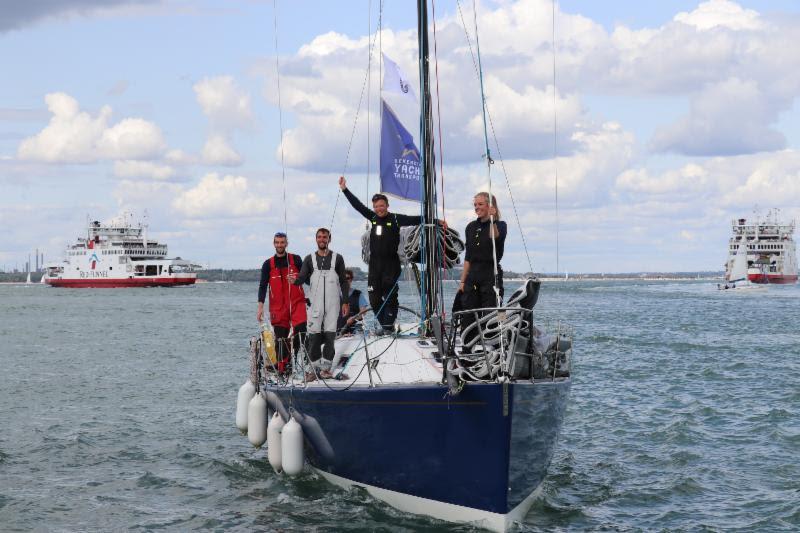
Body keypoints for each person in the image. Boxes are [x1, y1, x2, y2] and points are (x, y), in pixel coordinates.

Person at [339, 176, 424, 333]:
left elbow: (415, 219)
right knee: (375, 300)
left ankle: (387, 328)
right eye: (376, 206)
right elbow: (357, 206)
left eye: (382, 206)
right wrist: (345, 189)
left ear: (387, 205)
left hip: (391, 267)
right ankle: (387, 326)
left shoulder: (396, 219)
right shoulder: (373, 218)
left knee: (390, 298)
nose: (379, 209)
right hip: (374, 268)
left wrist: (436, 220)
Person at [288, 228, 349, 379]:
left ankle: (326, 369)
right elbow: (302, 278)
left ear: (329, 239)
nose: (322, 239)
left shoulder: (338, 258)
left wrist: (345, 301)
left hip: (333, 304)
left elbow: (343, 281)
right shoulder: (309, 259)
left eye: (325, 237)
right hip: (315, 306)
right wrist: (294, 281)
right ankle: (312, 370)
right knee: (314, 338)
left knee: (330, 337)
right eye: (319, 237)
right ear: (316, 239)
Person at [458, 192, 507, 351]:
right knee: (469, 313)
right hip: (473, 275)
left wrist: (493, 219)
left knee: (492, 312)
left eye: (480, 204)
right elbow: (468, 257)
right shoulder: (471, 227)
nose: (477, 208)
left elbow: (495, 237)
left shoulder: (500, 225)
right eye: (475, 205)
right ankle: (468, 348)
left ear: (489, 205)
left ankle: (495, 346)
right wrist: (462, 281)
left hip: (490, 273)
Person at [257, 232, 307, 373]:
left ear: (286, 243)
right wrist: (260, 307)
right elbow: (262, 286)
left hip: (297, 302)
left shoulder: (296, 260)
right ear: (274, 244)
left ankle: (295, 355)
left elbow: (306, 279)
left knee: (301, 330)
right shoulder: (268, 264)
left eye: (282, 242)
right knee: (280, 339)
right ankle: (283, 366)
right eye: (277, 242)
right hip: (278, 307)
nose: (280, 245)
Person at [337, 269, 369, 335]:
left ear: (351, 280)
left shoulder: (358, 294)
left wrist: (354, 318)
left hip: (355, 330)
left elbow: (364, 312)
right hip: (338, 332)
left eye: (347, 278)